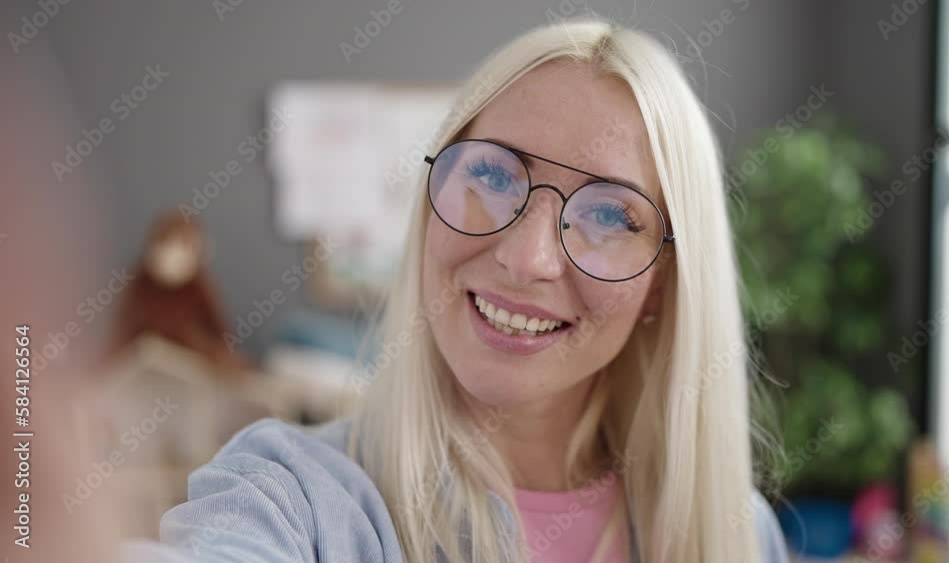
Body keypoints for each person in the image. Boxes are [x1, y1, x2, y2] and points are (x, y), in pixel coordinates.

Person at [127, 17, 789, 563]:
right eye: (493, 176)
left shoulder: (736, 532)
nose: (526, 259)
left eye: (611, 215)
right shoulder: (292, 496)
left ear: (663, 283)